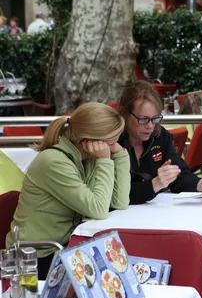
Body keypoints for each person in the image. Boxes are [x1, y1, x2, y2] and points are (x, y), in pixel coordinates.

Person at [5, 103, 130, 280]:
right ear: (90, 141)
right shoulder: (54, 162)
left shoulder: (87, 155)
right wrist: (105, 160)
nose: (113, 146)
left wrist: (120, 154)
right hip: (34, 258)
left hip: (63, 248)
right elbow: (98, 209)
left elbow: (119, 202)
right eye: (111, 141)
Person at [118, 80, 202, 204]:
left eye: (155, 119)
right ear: (124, 114)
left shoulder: (159, 136)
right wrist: (155, 184)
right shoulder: (113, 143)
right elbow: (117, 196)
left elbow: (178, 174)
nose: (150, 126)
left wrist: (199, 183)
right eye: (143, 119)